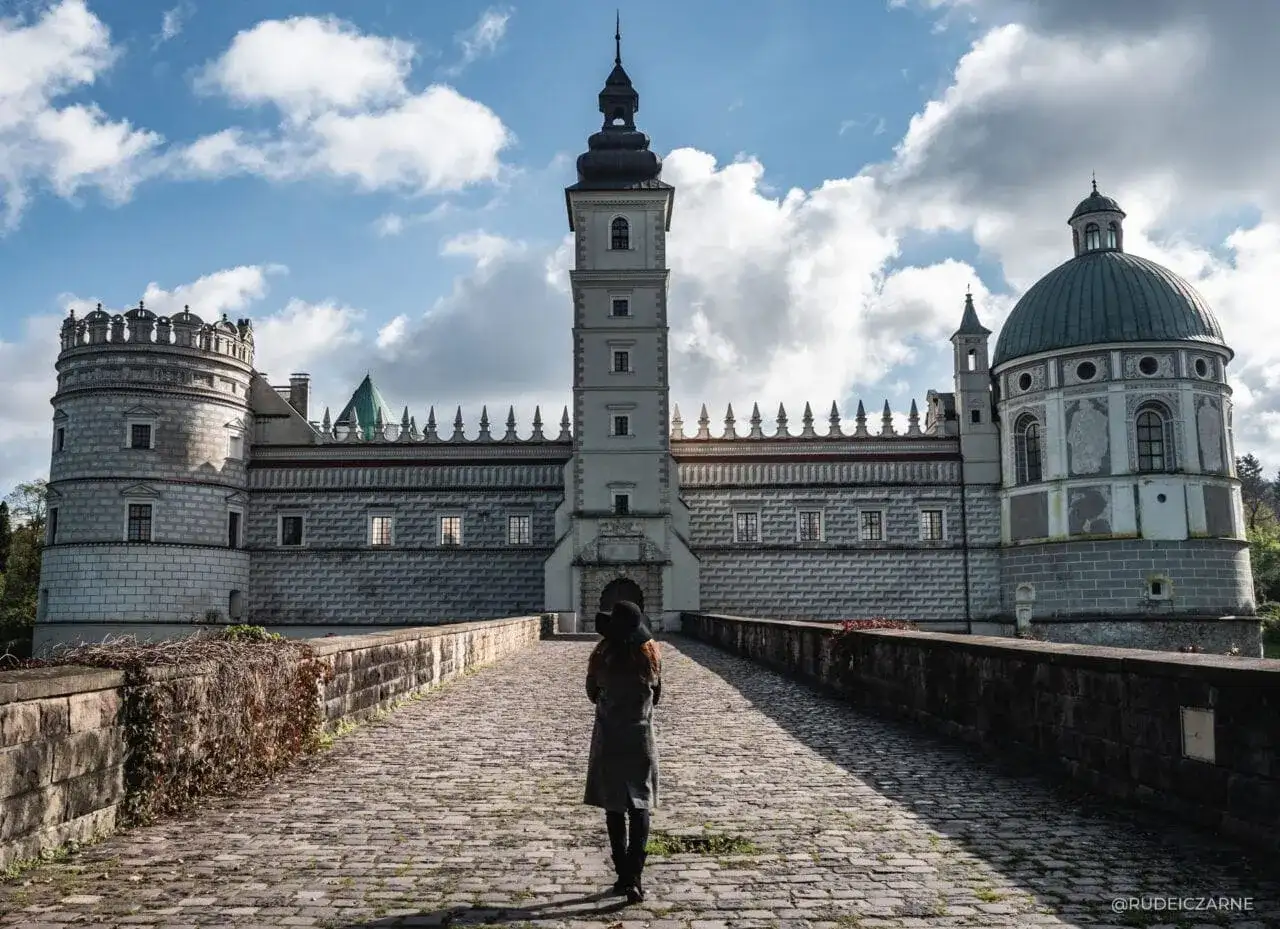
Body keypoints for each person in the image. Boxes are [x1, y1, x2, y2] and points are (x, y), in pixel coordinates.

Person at [583, 599, 662, 903]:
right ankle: (635, 877)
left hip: (610, 739)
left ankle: (622, 875)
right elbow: (657, 696)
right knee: (640, 805)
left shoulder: (602, 655)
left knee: (614, 806)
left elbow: (591, 694)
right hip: (640, 738)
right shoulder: (651, 657)